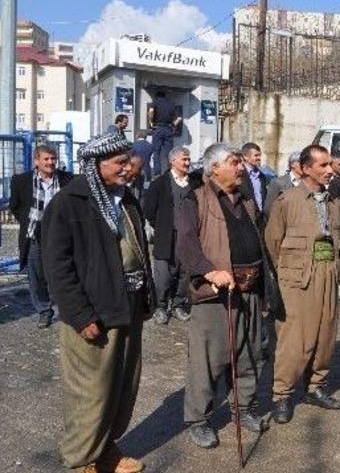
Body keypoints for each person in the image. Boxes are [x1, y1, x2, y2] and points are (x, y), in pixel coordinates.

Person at [42, 132, 154, 473]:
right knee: (90, 392)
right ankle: (83, 460)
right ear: (96, 165)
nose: (127, 168)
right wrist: (79, 315)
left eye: (127, 160)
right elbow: (57, 267)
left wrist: (147, 298)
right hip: (94, 315)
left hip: (128, 307)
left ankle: (105, 451)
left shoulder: (127, 199)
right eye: (120, 162)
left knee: (121, 386)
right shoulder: (68, 203)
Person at [176, 143, 268, 449]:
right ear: (214, 168)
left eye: (241, 162)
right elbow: (187, 243)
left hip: (249, 290)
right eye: (234, 162)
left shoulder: (247, 201)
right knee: (208, 359)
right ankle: (198, 419)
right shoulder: (196, 198)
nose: (241, 167)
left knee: (248, 353)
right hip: (216, 293)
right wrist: (209, 271)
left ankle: (243, 408)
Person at [266, 145, 340, 423]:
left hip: (328, 274)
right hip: (297, 278)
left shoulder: (335, 203)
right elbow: (273, 241)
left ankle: (315, 387)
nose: (330, 171)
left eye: (331, 165)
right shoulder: (288, 200)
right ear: (306, 168)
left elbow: (336, 240)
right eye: (322, 166)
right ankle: (282, 394)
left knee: (325, 335)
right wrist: (287, 272)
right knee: (295, 339)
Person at [9, 145, 73, 328]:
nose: (51, 162)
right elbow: (15, 206)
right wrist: (28, 221)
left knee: (63, 273)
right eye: (46, 159)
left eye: (53, 159)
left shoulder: (67, 179)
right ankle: (44, 311)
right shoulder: (21, 181)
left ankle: (69, 310)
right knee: (36, 276)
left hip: (61, 235)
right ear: (37, 161)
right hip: (34, 235)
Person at [143, 146, 200, 325]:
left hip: (189, 238)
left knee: (185, 273)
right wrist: (162, 226)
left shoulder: (195, 184)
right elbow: (149, 210)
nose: (188, 163)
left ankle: (178, 305)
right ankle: (160, 306)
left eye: (188, 159)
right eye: (184, 159)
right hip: (167, 237)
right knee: (163, 274)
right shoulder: (159, 184)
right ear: (172, 161)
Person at [148, 91, 181, 175]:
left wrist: (151, 122)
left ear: (157, 96)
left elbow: (151, 112)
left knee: (156, 152)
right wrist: (173, 126)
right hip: (168, 129)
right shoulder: (172, 104)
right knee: (170, 153)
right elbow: (179, 118)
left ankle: (157, 173)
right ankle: (170, 172)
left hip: (158, 128)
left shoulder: (155, 102)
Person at [239, 142, 270, 213]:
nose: (259, 158)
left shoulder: (262, 176)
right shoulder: (239, 175)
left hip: (260, 218)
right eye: (256, 155)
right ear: (245, 157)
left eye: (259, 155)